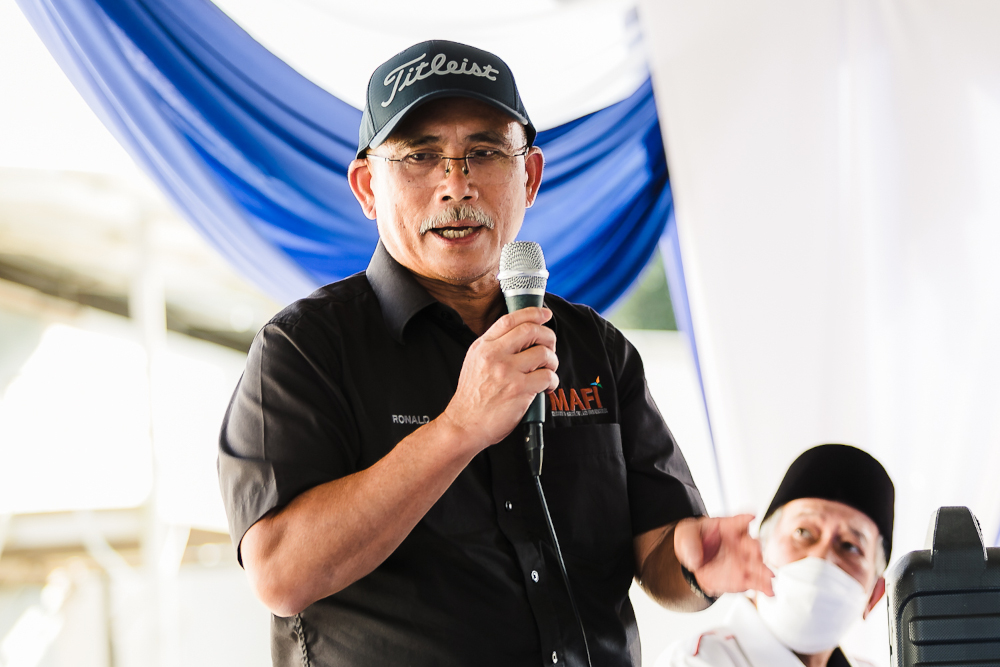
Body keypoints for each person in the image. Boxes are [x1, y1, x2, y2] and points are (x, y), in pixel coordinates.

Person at [218, 40, 772, 667]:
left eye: (484, 152)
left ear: (529, 176)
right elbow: (281, 575)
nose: (456, 185)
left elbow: (657, 551)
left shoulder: (594, 346)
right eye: (421, 157)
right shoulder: (305, 351)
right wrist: (458, 428)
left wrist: (696, 565)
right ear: (368, 187)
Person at [656, 444, 895, 667]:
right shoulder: (697, 662)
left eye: (850, 546)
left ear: (874, 595)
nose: (822, 558)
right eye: (803, 532)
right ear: (759, 550)